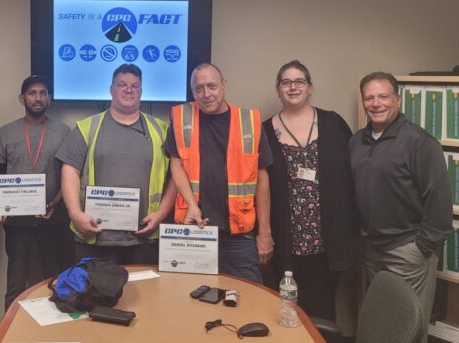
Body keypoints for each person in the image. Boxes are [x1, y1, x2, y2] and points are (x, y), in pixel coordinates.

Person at [350, 72, 451, 339]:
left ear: (397, 99)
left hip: (407, 251)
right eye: (369, 97)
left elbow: (439, 201)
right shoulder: (357, 141)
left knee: (408, 328)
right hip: (372, 250)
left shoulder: (419, 142)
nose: (376, 103)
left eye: (383, 96)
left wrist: (421, 248)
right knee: (380, 327)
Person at [56, 63, 176, 264]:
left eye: (134, 86)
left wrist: (161, 214)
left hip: (144, 236)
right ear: (111, 89)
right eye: (122, 84)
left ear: (141, 91)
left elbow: (175, 176)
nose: (129, 90)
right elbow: (69, 171)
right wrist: (75, 213)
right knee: (93, 294)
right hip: (95, 236)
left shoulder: (161, 130)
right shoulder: (86, 128)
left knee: (146, 295)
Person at [263, 60, 355, 320]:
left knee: (323, 308)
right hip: (285, 240)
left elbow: (354, 173)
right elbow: (260, 185)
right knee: (286, 309)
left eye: (299, 81)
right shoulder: (265, 132)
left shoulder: (333, 123)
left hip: (329, 238)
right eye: (286, 82)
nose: (293, 87)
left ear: (310, 87)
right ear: (278, 89)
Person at [165, 63, 274, 283]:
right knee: (188, 301)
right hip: (194, 230)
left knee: (246, 301)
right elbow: (176, 165)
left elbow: (261, 179)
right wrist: (191, 204)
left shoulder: (249, 122)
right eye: (199, 88)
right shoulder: (181, 119)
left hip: (238, 236)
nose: (206, 94)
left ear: (224, 85)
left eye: (212, 86)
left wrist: (265, 232)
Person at [0, 75, 73, 310]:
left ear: (50, 98)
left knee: (56, 279)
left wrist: (55, 203)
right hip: (17, 221)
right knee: (16, 281)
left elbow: (69, 175)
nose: (38, 98)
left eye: (43, 93)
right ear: (22, 98)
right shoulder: (6, 132)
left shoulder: (63, 131)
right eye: (32, 93)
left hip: (52, 217)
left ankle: (58, 331)